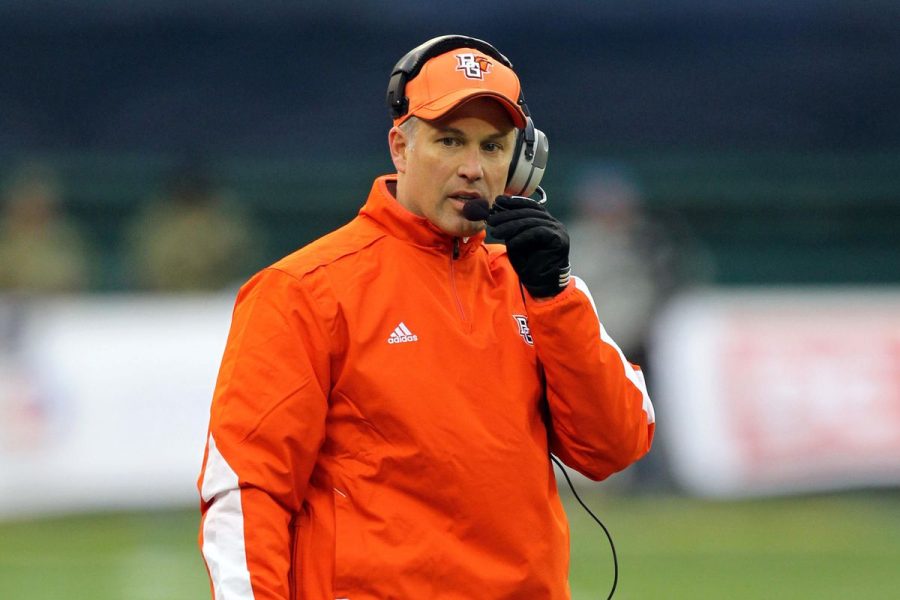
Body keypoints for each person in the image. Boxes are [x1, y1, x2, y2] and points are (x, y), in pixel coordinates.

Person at [197, 35, 655, 599]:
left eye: (493, 147)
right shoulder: (303, 291)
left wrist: (556, 297)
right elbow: (248, 489)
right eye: (449, 140)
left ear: (519, 164)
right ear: (400, 147)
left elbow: (617, 445)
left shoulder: (540, 287)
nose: (472, 168)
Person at [126, 162, 259, 291]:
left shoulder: (227, 218)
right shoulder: (156, 220)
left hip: (219, 302)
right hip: (165, 303)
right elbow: (143, 267)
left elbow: (245, 261)